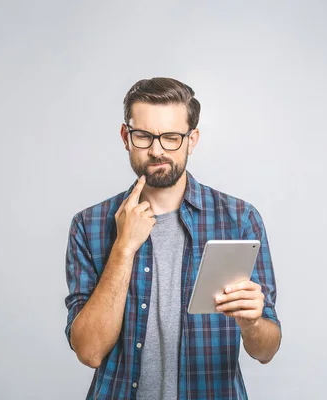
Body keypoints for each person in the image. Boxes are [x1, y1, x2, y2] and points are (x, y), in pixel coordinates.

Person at [64, 77, 281, 400]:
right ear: (126, 137)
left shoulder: (239, 219)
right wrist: (123, 248)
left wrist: (251, 323)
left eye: (171, 137)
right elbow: (89, 351)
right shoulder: (90, 224)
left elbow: (267, 350)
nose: (156, 150)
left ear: (191, 140)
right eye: (143, 136)